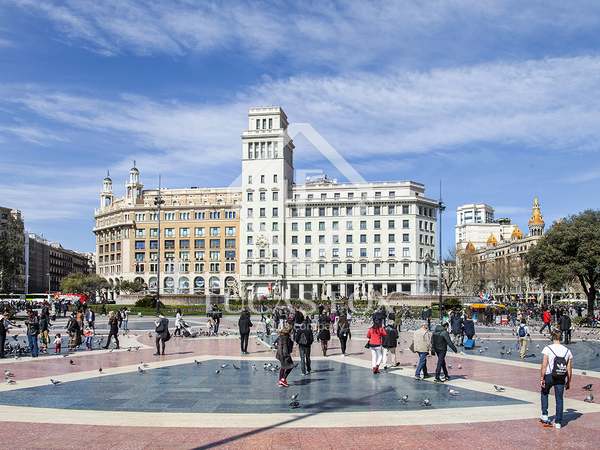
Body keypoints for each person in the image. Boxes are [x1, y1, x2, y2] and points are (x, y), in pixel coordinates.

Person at [540, 329, 573, 429]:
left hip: (549, 376)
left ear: (552, 337)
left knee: (544, 393)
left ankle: (544, 415)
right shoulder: (567, 351)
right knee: (559, 399)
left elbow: (544, 365)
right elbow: (569, 369)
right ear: (561, 337)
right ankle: (558, 422)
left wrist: (542, 377)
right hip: (561, 377)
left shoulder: (547, 348)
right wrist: (569, 381)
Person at [275, 321, 294, 387]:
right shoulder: (286, 338)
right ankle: (283, 379)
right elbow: (286, 347)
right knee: (291, 366)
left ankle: (280, 380)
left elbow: (276, 344)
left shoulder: (280, 336)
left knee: (283, 367)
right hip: (284, 354)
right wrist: (287, 355)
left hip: (280, 354)